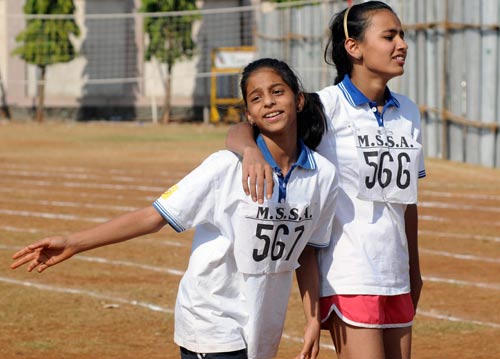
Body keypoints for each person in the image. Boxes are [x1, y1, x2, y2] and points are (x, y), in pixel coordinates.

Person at [11, 58, 339, 359]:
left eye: (277, 92)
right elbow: (152, 217)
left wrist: (312, 318)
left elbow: (307, 250)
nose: (268, 101)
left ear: (298, 100)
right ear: (249, 116)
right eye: (256, 98)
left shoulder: (322, 176)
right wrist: (74, 242)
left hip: (262, 325)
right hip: (211, 321)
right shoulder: (224, 167)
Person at [225, 2, 425, 359]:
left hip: (395, 274)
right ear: (354, 47)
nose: (402, 44)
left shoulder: (408, 112)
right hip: (348, 273)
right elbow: (249, 124)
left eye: (402, 35)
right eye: (389, 36)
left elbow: (407, 199)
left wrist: (414, 270)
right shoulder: (323, 107)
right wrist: (249, 151)